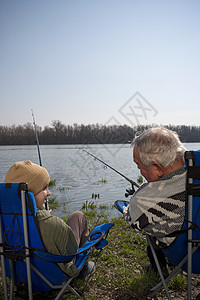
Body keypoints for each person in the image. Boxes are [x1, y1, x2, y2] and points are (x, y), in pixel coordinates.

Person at [5, 160, 94, 279]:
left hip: (18, 274)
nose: (49, 193)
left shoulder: (5, 221)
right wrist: (47, 217)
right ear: (30, 193)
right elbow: (72, 250)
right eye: (44, 188)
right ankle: (81, 269)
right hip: (53, 278)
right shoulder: (50, 223)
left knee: (75, 217)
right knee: (78, 216)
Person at [123, 127, 186, 275]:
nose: (140, 171)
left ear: (157, 168)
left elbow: (131, 219)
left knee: (150, 228)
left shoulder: (143, 201)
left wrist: (142, 191)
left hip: (187, 256)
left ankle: (159, 269)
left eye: (139, 166)